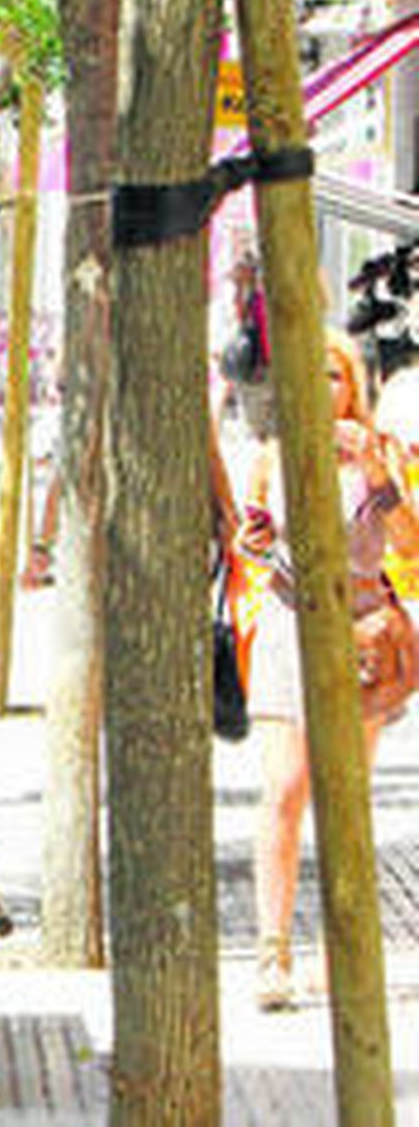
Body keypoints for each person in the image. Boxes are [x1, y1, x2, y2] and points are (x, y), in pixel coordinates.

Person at [239, 330, 419, 1011]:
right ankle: (270, 951)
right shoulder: (273, 455)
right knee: (285, 787)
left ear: (354, 386)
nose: (325, 388)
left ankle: (337, 946)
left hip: (362, 635)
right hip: (290, 625)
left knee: (346, 796)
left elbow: (408, 545)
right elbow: (256, 537)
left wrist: (377, 479)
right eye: (310, 375)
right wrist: (250, 542)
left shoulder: (376, 461)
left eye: (336, 376)